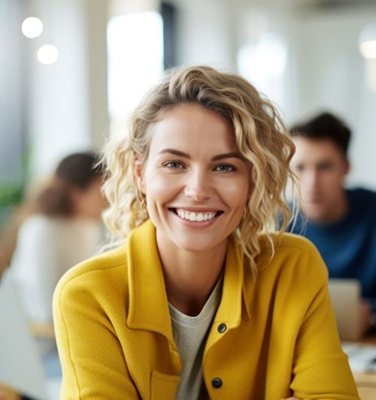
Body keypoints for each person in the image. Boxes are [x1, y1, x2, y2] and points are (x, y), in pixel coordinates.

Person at [53, 67, 359, 400]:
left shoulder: (292, 267)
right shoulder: (87, 295)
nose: (198, 190)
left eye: (224, 167)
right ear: (141, 174)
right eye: (174, 164)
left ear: (251, 180)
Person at [289, 112, 376, 335]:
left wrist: (374, 315)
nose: (312, 183)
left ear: (346, 167)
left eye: (325, 167)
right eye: (300, 168)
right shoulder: (274, 224)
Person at [10, 151, 107, 326]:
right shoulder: (41, 229)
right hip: (41, 338)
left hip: (75, 326)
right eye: (101, 189)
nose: (107, 198)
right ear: (75, 193)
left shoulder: (88, 227)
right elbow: (44, 308)